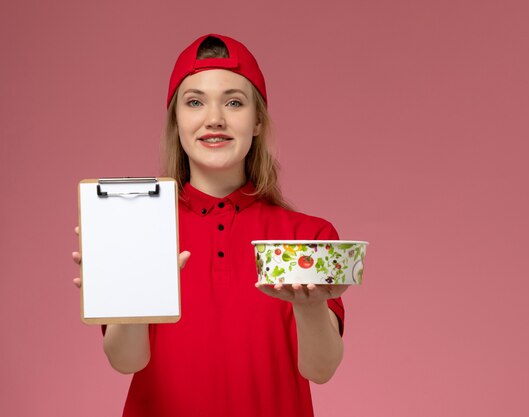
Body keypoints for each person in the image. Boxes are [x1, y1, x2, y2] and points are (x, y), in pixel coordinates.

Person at [72, 33, 348, 417]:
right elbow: (125, 361)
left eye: (234, 102)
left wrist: (310, 305)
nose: (214, 119)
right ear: (177, 122)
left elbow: (320, 369)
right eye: (195, 102)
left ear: (256, 122)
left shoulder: (309, 238)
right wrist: (122, 291)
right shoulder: (136, 228)